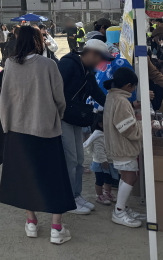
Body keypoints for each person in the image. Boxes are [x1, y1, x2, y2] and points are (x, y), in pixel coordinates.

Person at [0, 25, 75, 245]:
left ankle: (31, 222)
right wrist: (56, 116)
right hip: (45, 128)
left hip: (16, 129)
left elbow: (5, 98)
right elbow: (59, 98)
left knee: (25, 177)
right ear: (38, 40)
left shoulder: (10, 64)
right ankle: (56, 228)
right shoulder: (48, 64)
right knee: (54, 177)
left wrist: (7, 124)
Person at [57, 38, 110, 214]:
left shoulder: (88, 70)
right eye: (101, 58)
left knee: (79, 159)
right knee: (70, 159)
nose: (101, 63)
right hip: (62, 117)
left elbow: (96, 92)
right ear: (93, 54)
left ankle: (76, 195)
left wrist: (117, 104)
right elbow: (54, 91)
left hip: (75, 117)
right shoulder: (67, 64)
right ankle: (69, 199)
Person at [102, 67, 144, 228]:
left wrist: (134, 114)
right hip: (123, 147)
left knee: (126, 177)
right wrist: (143, 124)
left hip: (118, 145)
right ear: (128, 86)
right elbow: (128, 129)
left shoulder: (113, 97)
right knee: (130, 177)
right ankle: (119, 211)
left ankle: (123, 207)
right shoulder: (121, 101)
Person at [83, 113, 117, 206]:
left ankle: (107, 193)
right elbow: (99, 150)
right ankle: (99, 195)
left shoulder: (106, 133)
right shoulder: (98, 136)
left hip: (109, 161)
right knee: (100, 180)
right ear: (100, 124)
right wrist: (103, 160)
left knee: (108, 179)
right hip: (100, 162)